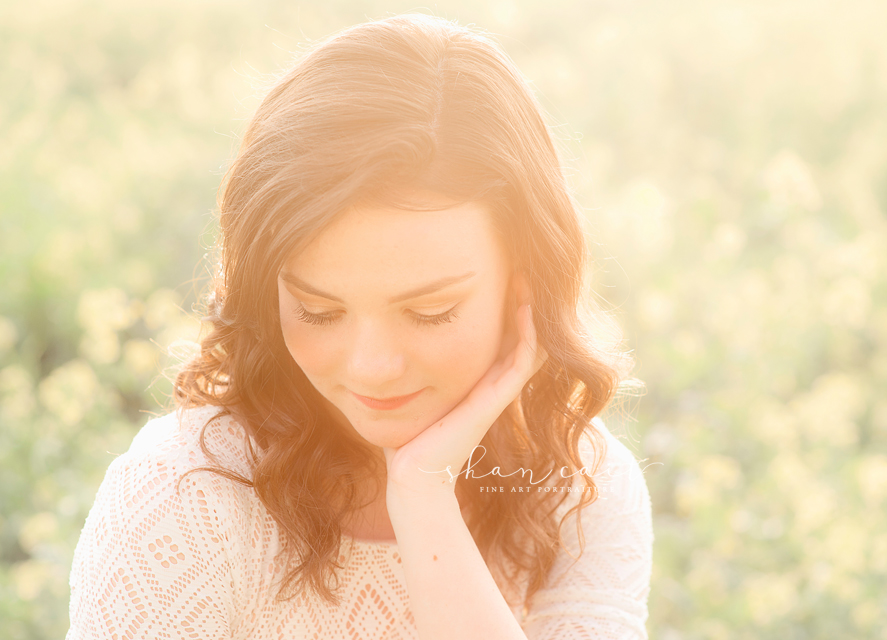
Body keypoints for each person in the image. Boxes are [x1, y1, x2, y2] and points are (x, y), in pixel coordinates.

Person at [66, 13, 654, 640]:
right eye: (318, 311)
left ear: (526, 282)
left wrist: (425, 500)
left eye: (431, 313)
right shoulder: (180, 498)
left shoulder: (581, 492)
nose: (371, 366)